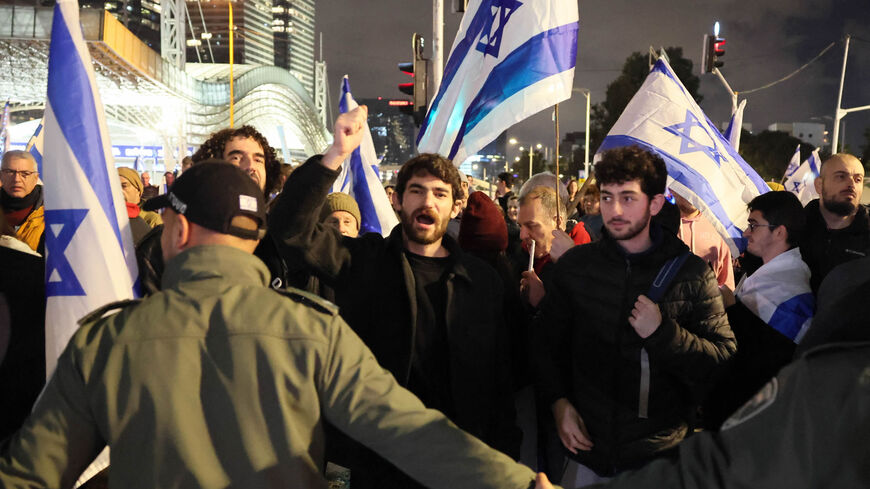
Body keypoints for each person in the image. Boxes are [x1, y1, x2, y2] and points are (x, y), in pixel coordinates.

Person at [0, 161, 547, 489]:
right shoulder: (313, 332)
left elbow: (30, 475)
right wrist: (519, 482)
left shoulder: (107, 340)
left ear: (180, 228)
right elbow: (413, 432)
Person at [269, 106, 520, 488]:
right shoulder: (364, 262)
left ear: (455, 207)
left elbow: (501, 380)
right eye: (416, 191)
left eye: (439, 194)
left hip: (459, 459)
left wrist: (505, 460)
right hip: (377, 458)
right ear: (398, 201)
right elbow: (290, 229)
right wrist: (335, 154)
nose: (427, 202)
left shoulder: (481, 281)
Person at [534, 145, 735, 485]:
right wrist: (558, 402)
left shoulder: (691, 274)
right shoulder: (576, 268)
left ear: (655, 203)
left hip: (659, 460)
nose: (614, 209)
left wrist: (663, 333)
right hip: (588, 454)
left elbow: (721, 360)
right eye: (608, 197)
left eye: (628, 198)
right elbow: (546, 346)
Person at [705, 191, 812, 430]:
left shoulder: (788, 289)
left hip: (752, 421)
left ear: (779, 232)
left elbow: (764, 360)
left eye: (753, 225)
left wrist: (732, 308)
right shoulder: (770, 276)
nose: (745, 233)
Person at [799, 152, 868, 292]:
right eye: (841, 177)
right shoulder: (795, 228)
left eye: (858, 179)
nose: (851, 184)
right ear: (819, 185)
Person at [672, 191, 734, 289]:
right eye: (687, 189)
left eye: (695, 189)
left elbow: (726, 283)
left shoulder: (717, 225)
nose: (693, 194)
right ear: (673, 190)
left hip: (709, 299)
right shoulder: (659, 224)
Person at [0, 150, 44, 254]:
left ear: (35, 178)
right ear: (1, 175)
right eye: (10, 172)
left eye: (25, 174)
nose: (16, 179)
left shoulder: (51, 213)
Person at [117, 167, 158, 243]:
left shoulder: (153, 218)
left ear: (138, 190)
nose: (119, 191)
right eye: (115, 187)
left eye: (124, 186)